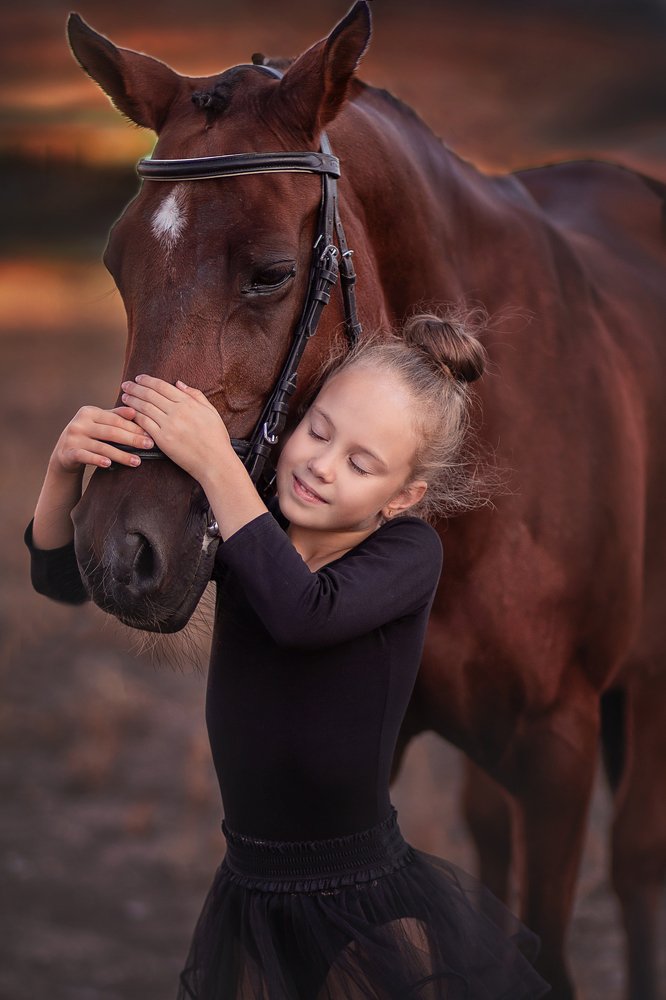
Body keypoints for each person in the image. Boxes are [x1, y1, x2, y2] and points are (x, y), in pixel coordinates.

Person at [25, 312, 551, 999]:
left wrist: (217, 464)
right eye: (319, 430)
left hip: (358, 893)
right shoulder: (253, 520)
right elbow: (64, 583)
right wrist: (63, 469)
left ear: (401, 498)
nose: (322, 466)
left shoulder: (407, 554)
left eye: (361, 464)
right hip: (249, 882)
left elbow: (302, 612)